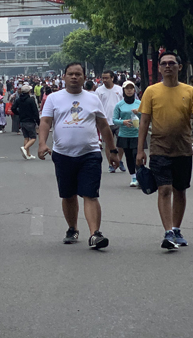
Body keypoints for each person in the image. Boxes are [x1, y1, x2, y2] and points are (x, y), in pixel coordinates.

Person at [38, 62, 120, 250]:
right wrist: (42, 143)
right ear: (64, 77)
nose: (74, 77)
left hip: (90, 153)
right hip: (63, 154)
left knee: (90, 194)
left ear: (84, 77)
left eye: (78, 74)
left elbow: (103, 126)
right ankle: (72, 228)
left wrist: (113, 151)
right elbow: (46, 122)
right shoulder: (54, 98)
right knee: (68, 195)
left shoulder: (93, 98)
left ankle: (95, 234)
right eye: (70, 74)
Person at [137, 51, 193, 250]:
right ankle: (168, 232)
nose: (168, 66)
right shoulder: (151, 91)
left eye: (172, 63)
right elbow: (144, 121)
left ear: (180, 67)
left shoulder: (190, 91)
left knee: (180, 190)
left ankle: (177, 229)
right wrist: (140, 150)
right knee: (164, 189)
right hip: (159, 148)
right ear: (160, 68)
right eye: (164, 63)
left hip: (183, 149)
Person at [113, 81, 142, 187]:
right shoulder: (119, 105)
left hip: (137, 134)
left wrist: (139, 112)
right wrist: (123, 122)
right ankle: (133, 177)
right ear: (123, 90)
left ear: (134, 90)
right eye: (127, 88)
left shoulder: (140, 104)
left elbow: (146, 116)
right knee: (129, 156)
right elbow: (114, 120)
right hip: (125, 134)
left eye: (131, 88)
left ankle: (140, 176)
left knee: (136, 155)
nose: (129, 90)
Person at [97, 70, 125, 172]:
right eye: (103, 78)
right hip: (105, 122)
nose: (104, 80)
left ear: (112, 78)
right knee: (108, 144)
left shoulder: (119, 89)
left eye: (106, 78)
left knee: (121, 143)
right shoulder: (99, 91)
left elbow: (123, 103)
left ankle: (119, 160)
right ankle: (110, 164)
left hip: (119, 120)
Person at [15, 84, 40, 160]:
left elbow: (13, 108)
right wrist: (38, 122)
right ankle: (25, 148)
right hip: (30, 121)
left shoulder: (18, 100)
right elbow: (35, 112)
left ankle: (28, 154)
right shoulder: (31, 100)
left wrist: (19, 113)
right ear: (29, 91)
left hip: (22, 120)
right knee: (33, 137)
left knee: (26, 137)